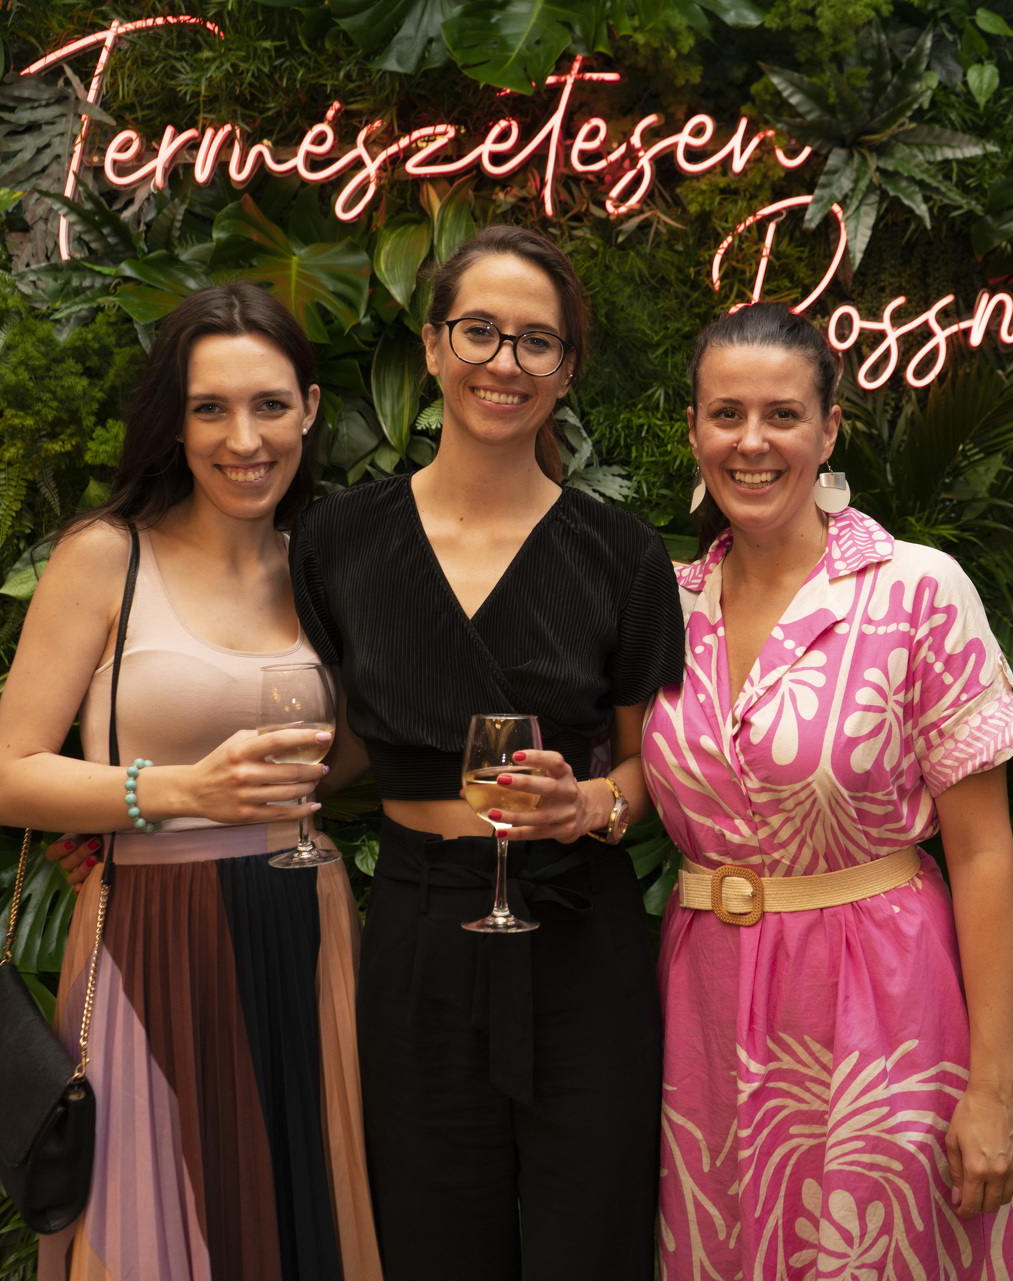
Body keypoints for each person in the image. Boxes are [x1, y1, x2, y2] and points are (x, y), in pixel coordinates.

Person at [286, 224, 684, 1280]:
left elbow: (646, 772)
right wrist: (173, 809)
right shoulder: (337, 541)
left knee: (590, 1244)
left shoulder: (621, 554)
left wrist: (589, 803)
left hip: (579, 928)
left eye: (536, 341)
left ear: (567, 371)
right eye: (479, 331)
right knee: (428, 1241)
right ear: (431, 345)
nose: (504, 362)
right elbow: (336, 739)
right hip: (418, 923)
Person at [0, 284, 381, 1280]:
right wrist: (175, 793)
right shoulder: (106, 557)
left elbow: (357, 749)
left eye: (270, 405)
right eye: (211, 408)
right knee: (146, 1230)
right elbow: (8, 778)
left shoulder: (324, 568)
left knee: (303, 1217)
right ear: (175, 422)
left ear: (310, 410)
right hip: (149, 933)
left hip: (304, 924)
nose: (245, 439)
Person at [648, 303, 1013, 1279]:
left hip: (881, 1008)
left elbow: (983, 852)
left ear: (829, 431)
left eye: (782, 415)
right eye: (726, 414)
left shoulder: (917, 590)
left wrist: (995, 1088)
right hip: (704, 1008)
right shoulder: (663, 607)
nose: (752, 442)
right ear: (693, 430)